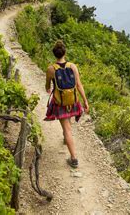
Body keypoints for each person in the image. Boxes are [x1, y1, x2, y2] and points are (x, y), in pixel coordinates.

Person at [44, 40, 89, 168]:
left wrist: (48, 88)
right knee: (68, 126)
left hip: (60, 103)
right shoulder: (72, 66)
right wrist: (85, 101)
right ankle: (66, 139)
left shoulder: (51, 69)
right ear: (65, 52)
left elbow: (47, 86)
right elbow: (79, 85)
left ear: (54, 54)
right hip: (73, 101)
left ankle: (74, 158)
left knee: (67, 129)